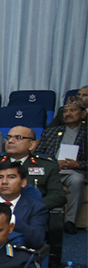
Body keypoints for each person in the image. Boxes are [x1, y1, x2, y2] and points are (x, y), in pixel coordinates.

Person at [0, 125, 66, 211]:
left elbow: (58, 196)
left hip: (31, 214)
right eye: (8, 137)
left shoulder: (47, 166)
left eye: (18, 138)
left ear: (31, 145)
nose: (10, 141)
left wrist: (32, 206)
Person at [35, 98, 86, 233]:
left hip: (73, 171)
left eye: (73, 110)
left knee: (77, 180)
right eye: (65, 111)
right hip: (50, 169)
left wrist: (78, 164)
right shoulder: (51, 132)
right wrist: (51, 162)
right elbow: (38, 154)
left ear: (83, 114)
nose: (68, 114)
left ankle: (70, 221)